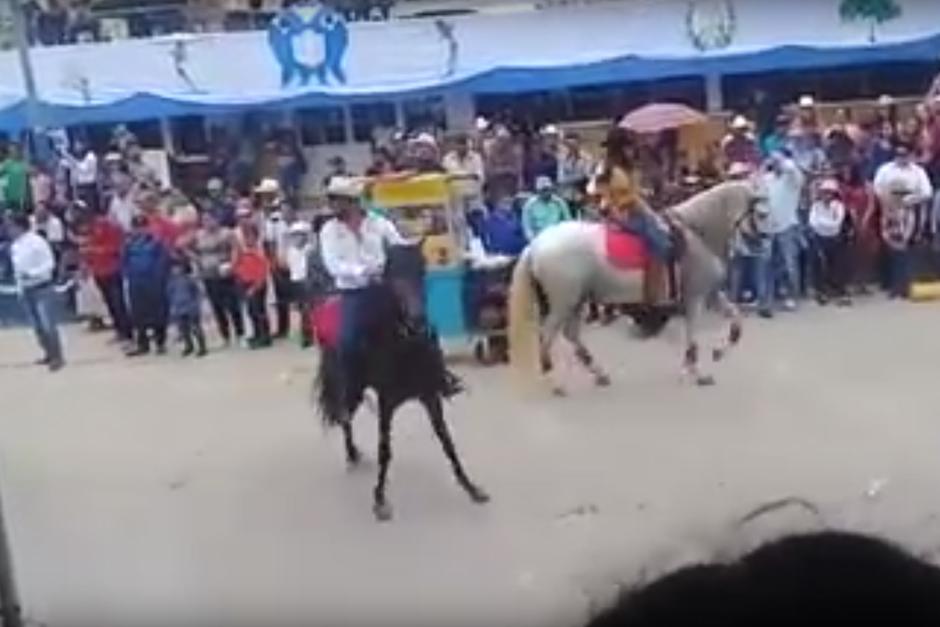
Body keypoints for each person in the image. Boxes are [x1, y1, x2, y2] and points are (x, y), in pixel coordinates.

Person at [319, 176, 407, 402]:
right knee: (347, 341)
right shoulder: (329, 230)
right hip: (354, 294)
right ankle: (354, 384)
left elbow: (398, 247)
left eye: (338, 201)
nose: (334, 206)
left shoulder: (379, 223)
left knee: (416, 325)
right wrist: (364, 271)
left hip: (383, 289)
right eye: (332, 200)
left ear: (352, 202)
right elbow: (333, 266)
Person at [874, 142, 933, 299]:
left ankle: (905, 286)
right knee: (891, 249)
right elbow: (877, 188)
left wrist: (907, 197)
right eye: (898, 154)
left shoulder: (917, 171)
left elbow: (927, 192)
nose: (901, 157)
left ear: (910, 155)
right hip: (889, 210)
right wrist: (891, 200)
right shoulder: (885, 169)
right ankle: (892, 286)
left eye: (904, 154)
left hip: (911, 213)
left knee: (907, 249)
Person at [7, 213, 64, 371]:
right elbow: (17, 270)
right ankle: (48, 353)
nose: (8, 229)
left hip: (42, 287)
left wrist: (33, 273)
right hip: (27, 289)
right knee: (37, 326)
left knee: (47, 324)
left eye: (10, 226)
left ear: (19, 226)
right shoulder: (15, 246)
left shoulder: (37, 241)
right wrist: (20, 289)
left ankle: (57, 356)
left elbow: (49, 263)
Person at [759, 150, 805, 317]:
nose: (776, 164)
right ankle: (765, 302)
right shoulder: (767, 179)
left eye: (779, 161)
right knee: (766, 265)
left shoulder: (792, 179)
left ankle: (791, 296)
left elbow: (793, 170)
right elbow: (755, 189)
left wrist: (781, 158)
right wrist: (764, 166)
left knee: (789, 264)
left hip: (788, 226)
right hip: (768, 226)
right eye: (774, 161)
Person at [190, 211, 244, 347]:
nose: (207, 223)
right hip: (209, 274)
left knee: (232, 306)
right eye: (204, 220)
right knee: (217, 307)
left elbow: (236, 249)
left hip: (225, 273)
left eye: (210, 219)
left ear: (217, 220)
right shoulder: (199, 235)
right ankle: (225, 336)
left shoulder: (226, 233)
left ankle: (240, 333)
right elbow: (182, 245)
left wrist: (232, 265)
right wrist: (196, 259)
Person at [77, 212, 132, 343]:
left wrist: (94, 251)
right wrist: (86, 263)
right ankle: (119, 331)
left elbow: (116, 248)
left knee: (118, 302)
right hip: (99, 271)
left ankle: (127, 332)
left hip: (112, 269)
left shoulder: (108, 226)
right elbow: (86, 248)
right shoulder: (90, 230)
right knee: (109, 303)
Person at [123, 215, 171, 356]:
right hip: (136, 283)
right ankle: (142, 344)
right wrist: (128, 277)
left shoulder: (156, 242)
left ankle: (160, 342)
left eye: (142, 227)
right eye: (136, 227)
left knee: (158, 313)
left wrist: (159, 278)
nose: (139, 230)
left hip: (154, 282)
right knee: (138, 314)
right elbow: (124, 262)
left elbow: (162, 261)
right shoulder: (129, 244)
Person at [257, 179, 292, 339]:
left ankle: (285, 328)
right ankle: (284, 327)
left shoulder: (276, 214)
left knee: (285, 294)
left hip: (282, 256)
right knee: (281, 295)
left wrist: (273, 261)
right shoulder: (268, 213)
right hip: (281, 255)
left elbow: (271, 242)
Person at [808, 178, 849, 305]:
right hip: (820, 238)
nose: (827, 195)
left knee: (837, 265)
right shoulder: (816, 206)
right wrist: (824, 224)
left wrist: (822, 223)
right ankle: (821, 291)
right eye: (824, 192)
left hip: (835, 238)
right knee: (820, 265)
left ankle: (839, 291)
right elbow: (812, 222)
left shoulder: (839, 206)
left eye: (829, 192)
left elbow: (837, 223)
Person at [233, 222, 271, 349]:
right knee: (251, 312)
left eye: (250, 236)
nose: (248, 239)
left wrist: (254, 288)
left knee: (259, 311)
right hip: (246, 284)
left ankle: (264, 336)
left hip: (256, 286)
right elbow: (240, 268)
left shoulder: (258, 254)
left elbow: (262, 273)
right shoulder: (244, 253)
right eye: (246, 236)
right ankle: (257, 334)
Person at [284, 220, 316, 348]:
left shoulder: (310, 250)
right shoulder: (291, 250)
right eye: (295, 235)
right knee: (302, 310)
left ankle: (310, 335)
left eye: (300, 234)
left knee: (309, 310)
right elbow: (290, 268)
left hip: (308, 282)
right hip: (296, 282)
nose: (297, 237)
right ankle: (307, 335)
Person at [166, 259, 207, 357]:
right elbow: (169, 295)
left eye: (178, 268)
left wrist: (197, 305)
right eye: (173, 268)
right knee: (183, 329)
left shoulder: (190, 280)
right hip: (178, 308)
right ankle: (189, 346)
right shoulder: (171, 282)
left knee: (195, 328)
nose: (175, 270)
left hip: (191, 307)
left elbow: (198, 294)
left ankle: (202, 347)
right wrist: (172, 308)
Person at [443, 133, 485, 214]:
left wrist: (457, 177)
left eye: (464, 144)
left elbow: (480, 177)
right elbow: (446, 178)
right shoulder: (447, 159)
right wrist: (466, 176)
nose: (461, 147)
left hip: (473, 198)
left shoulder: (476, 157)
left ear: (468, 145)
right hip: (454, 200)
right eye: (459, 144)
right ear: (455, 145)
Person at [521, 176, 571, 241]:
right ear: (538, 191)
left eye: (548, 189)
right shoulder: (530, 205)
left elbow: (567, 221)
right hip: (538, 239)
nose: (547, 193)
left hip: (557, 239)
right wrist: (533, 240)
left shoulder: (559, 203)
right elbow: (527, 226)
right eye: (544, 190)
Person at [557, 132, 594, 218]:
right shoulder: (562, 158)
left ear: (579, 143)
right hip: (566, 195)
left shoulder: (587, 158)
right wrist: (578, 176)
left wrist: (571, 177)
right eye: (569, 144)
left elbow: (587, 175)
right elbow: (560, 179)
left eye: (574, 144)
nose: (571, 147)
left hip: (582, 194)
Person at [65, 140, 100, 214]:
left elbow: (83, 169)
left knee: (90, 208)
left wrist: (71, 160)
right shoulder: (80, 158)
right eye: (75, 145)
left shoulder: (91, 156)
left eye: (78, 145)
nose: (76, 147)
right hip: (79, 187)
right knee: (81, 209)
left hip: (89, 187)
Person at [0, 143, 30, 214]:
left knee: (19, 215)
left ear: (18, 152)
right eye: (10, 151)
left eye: (13, 151)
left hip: (21, 198)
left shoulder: (23, 164)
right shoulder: (7, 163)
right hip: (8, 197)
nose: (12, 153)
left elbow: (30, 175)